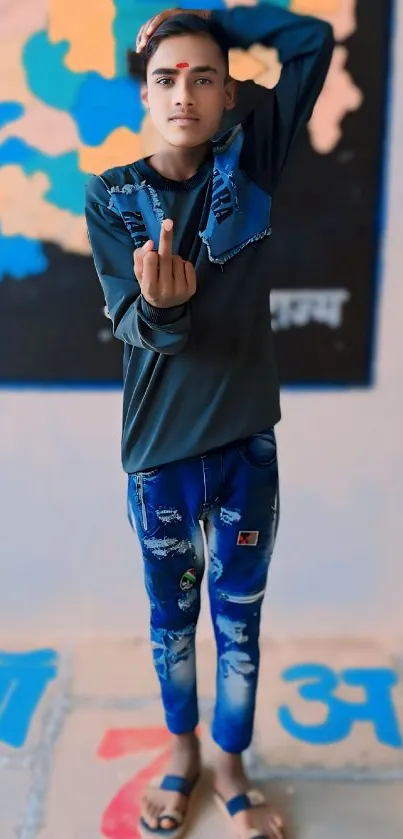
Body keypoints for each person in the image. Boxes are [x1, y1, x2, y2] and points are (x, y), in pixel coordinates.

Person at [85, 5, 334, 838]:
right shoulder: (111, 194)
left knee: (239, 618)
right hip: (158, 453)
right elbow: (131, 319)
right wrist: (161, 309)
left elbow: (308, 43)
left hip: (244, 446)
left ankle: (231, 761)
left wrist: (213, 22)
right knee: (171, 620)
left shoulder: (251, 156)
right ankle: (182, 752)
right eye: (164, 78)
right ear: (143, 94)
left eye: (203, 78)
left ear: (231, 94)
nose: (182, 93)